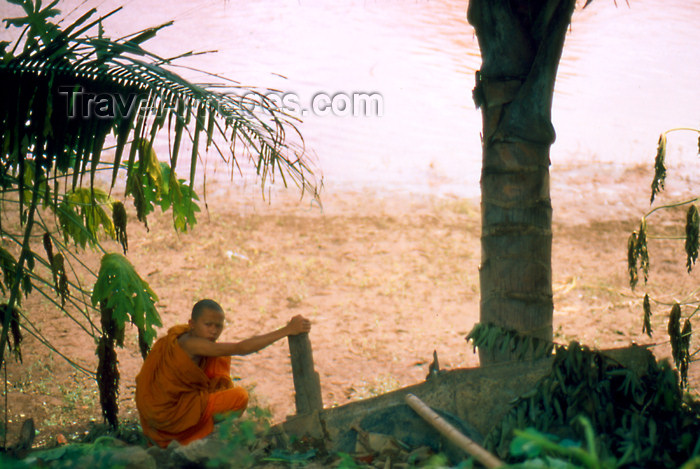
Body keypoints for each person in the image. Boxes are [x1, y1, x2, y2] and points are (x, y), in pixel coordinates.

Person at [135, 299, 311, 448]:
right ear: (192, 324)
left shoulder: (185, 335)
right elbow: (240, 348)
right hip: (169, 415)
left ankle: (205, 405)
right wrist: (287, 330)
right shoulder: (192, 344)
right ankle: (193, 433)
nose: (213, 330)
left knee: (221, 354)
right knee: (239, 398)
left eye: (218, 326)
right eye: (208, 325)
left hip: (173, 404)